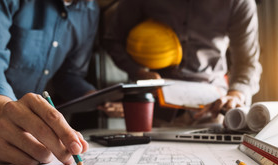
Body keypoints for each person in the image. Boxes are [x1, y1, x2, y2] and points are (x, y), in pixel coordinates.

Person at [104, 0, 262, 124]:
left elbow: (247, 62)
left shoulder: (239, 2)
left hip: (211, 108)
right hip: (154, 106)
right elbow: (112, 40)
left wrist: (236, 94)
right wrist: (138, 72)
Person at [0, 0, 100, 165]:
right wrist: (6, 112)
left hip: (29, 140)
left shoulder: (90, 10)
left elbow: (68, 75)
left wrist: (94, 97)